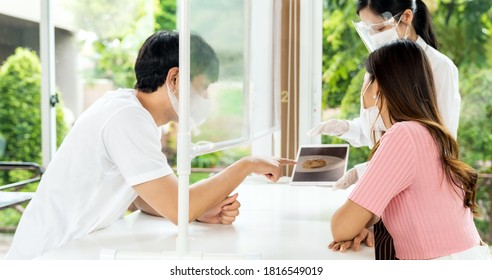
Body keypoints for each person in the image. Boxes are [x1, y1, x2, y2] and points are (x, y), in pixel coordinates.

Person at [5, 31, 294, 260]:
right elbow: (176, 207)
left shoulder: (136, 115)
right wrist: (248, 164)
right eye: (203, 86)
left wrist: (198, 211)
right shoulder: (126, 118)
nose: (205, 97)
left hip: (72, 249)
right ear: (175, 78)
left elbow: (139, 195)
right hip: (46, 257)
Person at [309, 0, 460, 259]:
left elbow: (435, 148)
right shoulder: (381, 66)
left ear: (407, 17)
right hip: (394, 206)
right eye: (366, 30)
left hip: (416, 207)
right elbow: (377, 125)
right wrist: (347, 128)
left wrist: (370, 174)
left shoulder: (438, 68)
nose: (372, 37)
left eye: (378, 28)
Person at [330, 40, 490, 260]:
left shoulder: (402, 135)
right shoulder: (431, 131)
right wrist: (361, 223)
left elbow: (340, 227)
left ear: (377, 86)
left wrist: (354, 224)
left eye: (366, 79)